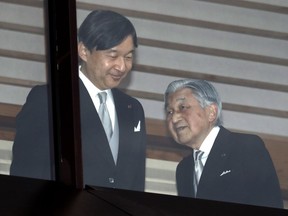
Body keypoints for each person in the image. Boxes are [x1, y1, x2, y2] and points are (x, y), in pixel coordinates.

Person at [10, 10, 147, 192]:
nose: (122, 66)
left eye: (128, 57)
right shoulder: (50, 100)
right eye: (113, 56)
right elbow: (26, 177)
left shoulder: (133, 110)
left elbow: (136, 186)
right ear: (83, 51)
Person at [164, 79, 283, 208]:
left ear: (211, 112)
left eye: (182, 107)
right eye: (170, 112)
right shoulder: (184, 169)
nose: (174, 118)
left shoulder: (246, 148)